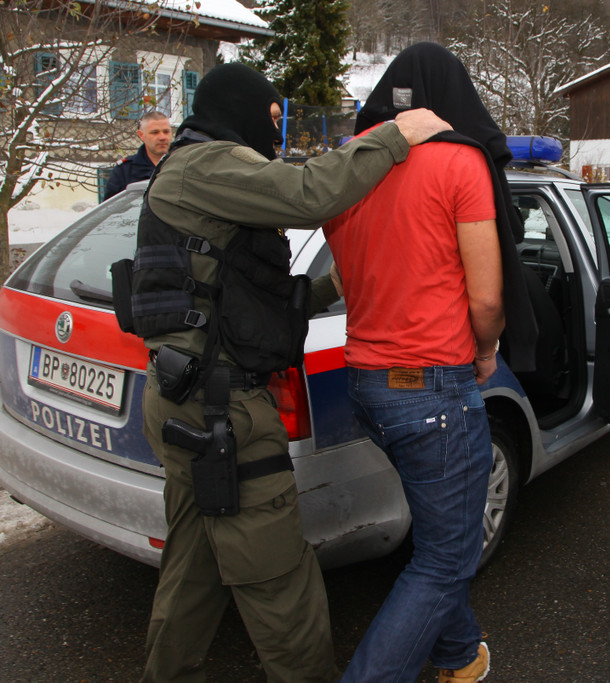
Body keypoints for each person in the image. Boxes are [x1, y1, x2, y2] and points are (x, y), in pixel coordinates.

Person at [123, 62, 450, 682]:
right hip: (223, 417)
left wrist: (330, 286)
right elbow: (309, 193)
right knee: (281, 587)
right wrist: (395, 135)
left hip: (187, 401)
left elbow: (236, 295)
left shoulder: (187, 171)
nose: (275, 133)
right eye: (271, 118)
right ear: (238, 111)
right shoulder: (209, 164)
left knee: (194, 569)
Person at [321, 42, 508, 683]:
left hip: (366, 381)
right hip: (433, 387)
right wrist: (486, 349)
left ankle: (457, 655)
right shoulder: (459, 159)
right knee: (446, 560)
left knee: (436, 538)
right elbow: (487, 298)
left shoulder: (349, 161)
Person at [103, 111, 171, 200]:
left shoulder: (182, 165)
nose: (162, 137)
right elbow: (112, 206)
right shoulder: (125, 171)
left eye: (166, 132)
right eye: (155, 132)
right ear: (141, 135)